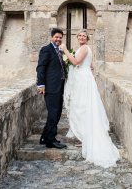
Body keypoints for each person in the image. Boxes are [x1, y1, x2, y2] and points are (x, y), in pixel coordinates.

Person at [60, 30, 120, 168]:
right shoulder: (84, 49)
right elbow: (91, 66)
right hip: (84, 79)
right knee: (84, 108)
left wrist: (65, 51)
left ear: (87, 38)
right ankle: (85, 137)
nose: (81, 37)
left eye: (84, 36)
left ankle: (88, 138)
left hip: (83, 81)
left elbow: (75, 62)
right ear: (77, 37)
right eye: (79, 35)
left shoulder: (85, 48)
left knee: (83, 107)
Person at [36, 28, 67, 149]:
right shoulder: (46, 49)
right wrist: (41, 84)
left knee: (56, 112)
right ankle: (51, 140)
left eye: (60, 37)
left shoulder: (59, 51)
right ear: (51, 37)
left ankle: (44, 137)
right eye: (56, 37)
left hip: (59, 87)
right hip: (51, 87)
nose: (58, 39)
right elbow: (40, 67)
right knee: (54, 113)